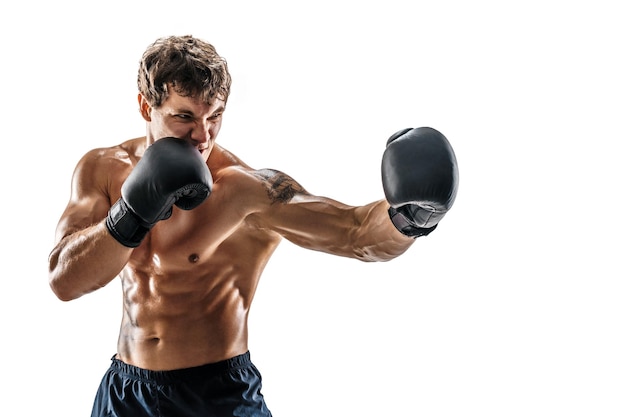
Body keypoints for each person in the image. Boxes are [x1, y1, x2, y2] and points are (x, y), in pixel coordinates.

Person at [48, 35, 458, 417]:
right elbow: (64, 281)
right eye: (184, 117)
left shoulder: (246, 192)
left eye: (215, 117)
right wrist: (132, 213)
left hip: (217, 395)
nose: (202, 136)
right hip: (127, 392)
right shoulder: (102, 170)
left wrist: (411, 216)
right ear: (145, 107)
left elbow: (355, 233)